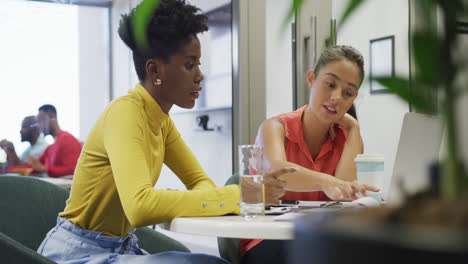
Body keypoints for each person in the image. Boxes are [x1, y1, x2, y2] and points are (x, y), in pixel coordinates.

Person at [37, 1, 293, 263]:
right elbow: (140, 207)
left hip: (122, 247)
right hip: (75, 252)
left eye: (198, 64)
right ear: (155, 70)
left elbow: (199, 182)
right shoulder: (125, 113)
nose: (200, 75)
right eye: (190, 64)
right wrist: (242, 194)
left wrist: (184, 199)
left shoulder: (161, 121)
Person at [239, 45, 380, 264]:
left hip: (319, 239)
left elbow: (342, 193)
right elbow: (278, 172)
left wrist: (354, 130)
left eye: (347, 93)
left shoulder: (348, 138)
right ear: (311, 79)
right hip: (268, 239)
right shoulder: (274, 127)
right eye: (330, 84)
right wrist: (326, 182)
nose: (336, 97)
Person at [26, 104, 82, 178]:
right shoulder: (50, 148)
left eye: (41, 120)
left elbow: (74, 170)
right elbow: (34, 167)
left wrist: (45, 169)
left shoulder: (67, 139)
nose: (39, 126)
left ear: (52, 117)